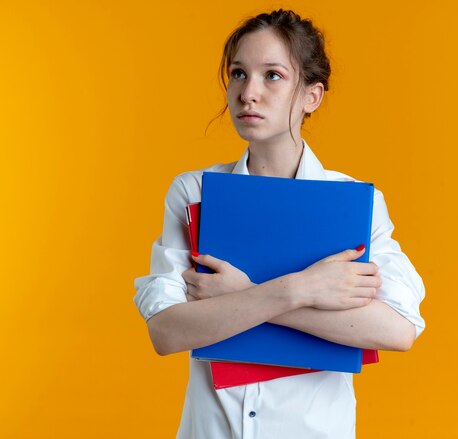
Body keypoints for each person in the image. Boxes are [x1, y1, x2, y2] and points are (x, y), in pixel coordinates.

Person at [134, 9, 425, 439]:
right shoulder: (194, 192)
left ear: (311, 96)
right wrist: (302, 289)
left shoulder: (352, 202)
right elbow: (166, 331)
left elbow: (398, 330)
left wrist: (244, 296)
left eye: (272, 75)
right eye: (238, 73)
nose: (248, 93)